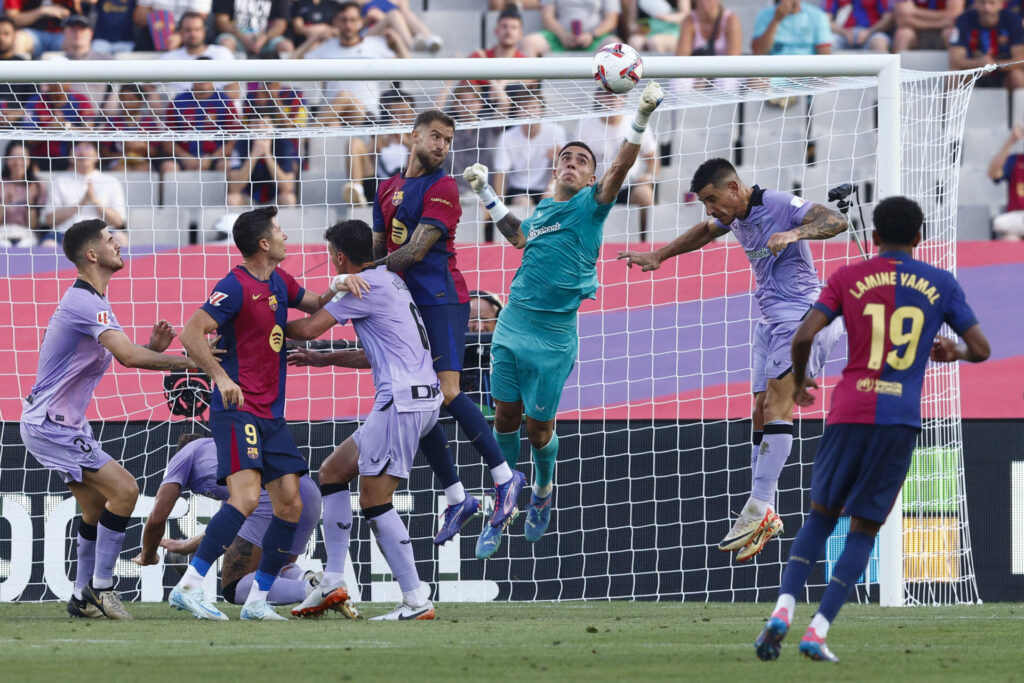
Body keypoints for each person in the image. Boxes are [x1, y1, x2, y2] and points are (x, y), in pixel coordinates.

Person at [753, 196, 989, 663]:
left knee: (820, 518)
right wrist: (953, 353)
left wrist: (798, 381)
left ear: (875, 237)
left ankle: (781, 611)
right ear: (920, 239)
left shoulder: (847, 277)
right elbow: (980, 348)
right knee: (863, 529)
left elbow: (802, 336)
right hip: (898, 420)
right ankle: (818, 630)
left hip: (849, 410)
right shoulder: (940, 284)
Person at [462, 81, 665, 556]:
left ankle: (542, 490)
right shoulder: (543, 211)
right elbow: (517, 236)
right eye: (565, 159)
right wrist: (486, 193)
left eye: (581, 161)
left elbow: (620, 167)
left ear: (592, 177)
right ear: (554, 171)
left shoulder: (589, 208)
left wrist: (640, 117)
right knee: (504, 418)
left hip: (554, 337)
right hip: (512, 325)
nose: (571, 164)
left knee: (538, 429)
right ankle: (502, 502)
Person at [617, 157, 848, 562]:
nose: (710, 209)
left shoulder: (778, 203)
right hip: (771, 318)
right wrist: (661, 256)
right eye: (704, 201)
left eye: (712, 199)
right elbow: (705, 231)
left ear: (734, 188)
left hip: (805, 315)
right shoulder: (734, 215)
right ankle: (768, 512)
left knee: (779, 405)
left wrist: (795, 233)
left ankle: (756, 508)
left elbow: (835, 220)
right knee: (760, 410)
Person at [167, 206, 359, 621]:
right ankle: (189, 585)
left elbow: (314, 305)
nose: (286, 235)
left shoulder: (279, 281)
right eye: (279, 230)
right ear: (263, 243)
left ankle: (257, 601)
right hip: (238, 409)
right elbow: (190, 332)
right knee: (247, 499)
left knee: (290, 504)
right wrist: (220, 377)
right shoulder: (233, 286)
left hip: (271, 415)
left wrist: (338, 283)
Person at [19, 218, 201, 619]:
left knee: (96, 508)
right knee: (125, 490)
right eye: (108, 239)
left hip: (57, 421)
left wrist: (152, 348)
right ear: (91, 254)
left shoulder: (95, 301)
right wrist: (195, 361)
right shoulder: (84, 301)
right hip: (51, 423)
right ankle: (103, 588)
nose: (117, 242)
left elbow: (126, 353)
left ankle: (83, 597)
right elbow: (129, 357)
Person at [376, 109, 526, 556]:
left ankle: (505, 477)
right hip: (407, 305)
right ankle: (458, 498)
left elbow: (416, 250)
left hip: (442, 299)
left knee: (445, 391)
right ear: (413, 136)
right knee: (415, 397)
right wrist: (348, 260)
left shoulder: (443, 187)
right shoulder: (386, 188)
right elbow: (379, 244)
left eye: (448, 140)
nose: (442, 146)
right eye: (436, 137)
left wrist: (360, 274)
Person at [286, 219, 443, 620]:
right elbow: (376, 352)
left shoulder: (362, 286)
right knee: (334, 471)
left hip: (402, 402)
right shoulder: (389, 279)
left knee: (375, 499)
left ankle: (415, 599)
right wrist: (323, 360)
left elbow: (305, 327)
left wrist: (254, 322)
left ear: (339, 258)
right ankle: (333, 579)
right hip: (418, 398)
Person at [131, 435, 355, 614]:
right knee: (273, 568)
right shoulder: (223, 452)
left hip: (268, 497)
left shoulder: (182, 456)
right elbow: (229, 522)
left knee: (234, 586)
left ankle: (316, 590)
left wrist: (148, 554)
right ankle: (312, 579)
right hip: (307, 492)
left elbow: (157, 517)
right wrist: (186, 546)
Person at [295, 1, 408, 126]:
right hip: (332, 117)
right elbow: (289, 65)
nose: (348, 25)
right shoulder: (326, 47)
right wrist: (314, 39)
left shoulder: (375, 45)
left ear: (360, 22)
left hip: (365, 116)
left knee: (345, 96)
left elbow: (411, 68)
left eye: (353, 20)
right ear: (335, 22)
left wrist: (398, 42)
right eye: (344, 20)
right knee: (334, 125)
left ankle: (309, 132)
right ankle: (313, 132)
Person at [573, 95, 658, 241]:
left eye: (616, 96)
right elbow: (576, 160)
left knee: (644, 194)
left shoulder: (636, 122)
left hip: (628, 187)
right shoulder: (585, 124)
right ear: (599, 98)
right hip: (597, 188)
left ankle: (645, 242)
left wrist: (648, 176)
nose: (611, 100)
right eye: (607, 96)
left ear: (623, 98)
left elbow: (653, 160)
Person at [493, 83, 566, 210]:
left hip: (546, 188)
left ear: (541, 110)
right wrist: (499, 205)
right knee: (524, 203)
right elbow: (501, 172)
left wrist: (550, 188)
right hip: (518, 189)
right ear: (517, 111)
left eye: (533, 107)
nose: (529, 112)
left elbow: (562, 165)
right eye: (523, 107)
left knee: (552, 201)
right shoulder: (507, 136)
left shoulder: (556, 132)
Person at [43, 141, 127, 246]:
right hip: (65, 233)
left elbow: (118, 221)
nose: (82, 152)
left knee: (120, 238)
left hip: (102, 234)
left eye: (88, 147)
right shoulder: (59, 181)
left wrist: (94, 200)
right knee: (48, 244)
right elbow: (50, 220)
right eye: (78, 148)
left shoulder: (111, 181)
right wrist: (81, 203)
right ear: (70, 157)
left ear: (97, 156)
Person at [948, 0, 1024, 91]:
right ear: (975, 3)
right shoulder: (963, 20)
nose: (986, 8)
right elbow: (955, 60)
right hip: (973, 72)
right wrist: (979, 64)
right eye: (982, 3)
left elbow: (1020, 60)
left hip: (1004, 72)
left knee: (1017, 76)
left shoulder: (1014, 20)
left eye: (991, 3)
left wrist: (994, 65)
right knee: (954, 76)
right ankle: (952, 105)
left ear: (1001, 4)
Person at [468, 5, 530, 115]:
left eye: (513, 27)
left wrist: (502, 83)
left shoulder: (526, 62)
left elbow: (530, 82)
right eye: (504, 26)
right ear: (496, 31)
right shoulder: (478, 57)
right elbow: (468, 95)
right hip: (480, 118)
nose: (508, 31)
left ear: (521, 34)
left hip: (515, 121)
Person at [227, 122, 299, 207]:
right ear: (249, 127)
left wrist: (267, 155)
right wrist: (254, 155)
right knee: (232, 199)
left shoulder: (283, 144)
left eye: (265, 125)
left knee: (289, 199)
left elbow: (288, 187)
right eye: (256, 125)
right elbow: (234, 188)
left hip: (274, 200)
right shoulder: (241, 143)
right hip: (248, 199)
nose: (260, 129)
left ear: (273, 126)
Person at [521, 0, 621, 56]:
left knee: (615, 46)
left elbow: (611, 20)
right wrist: (562, 34)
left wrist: (592, 35)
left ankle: (612, 90)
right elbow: (547, 16)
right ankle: (527, 87)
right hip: (559, 37)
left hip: (595, 38)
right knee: (528, 42)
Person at [1, 141, 46, 246]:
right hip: (2, 232)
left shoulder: (38, 185)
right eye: (13, 157)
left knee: (25, 245)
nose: (17, 162)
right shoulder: (1, 183)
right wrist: (5, 203)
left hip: (26, 233)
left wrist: (30, 203)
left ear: (29, 160)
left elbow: (33, 226)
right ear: (6, 160)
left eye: (22, 158)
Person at [212, 0, 294, 57]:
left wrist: (265, 37)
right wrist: (241, 36)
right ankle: (229, 82)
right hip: (236, 36)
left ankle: (285, 82)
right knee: (226, 43)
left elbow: (281, 23)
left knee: (286, 46)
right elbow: (221, 21)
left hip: (266, 39)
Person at [752, 0, 832, 56]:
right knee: (757, 79)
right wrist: (776, 20)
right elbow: (758, 52)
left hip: (807, 73)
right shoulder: (764, 15)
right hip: (774, 73)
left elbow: (824, 54)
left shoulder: (817, 16)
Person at [988, 122, 1024, 240]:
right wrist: (1011, 141)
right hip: (1018, 219)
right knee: (1009, 238)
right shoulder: (1015, 161)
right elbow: (993, 173)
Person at [4, 0, 73, 57]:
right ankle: (19, 72)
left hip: (63, 35)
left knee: (78, 40)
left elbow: (81, 15)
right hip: (32, 34)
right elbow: (12, 20)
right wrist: (42, 11)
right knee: (19, 39)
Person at [676, 0, 741, 57]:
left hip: (724, 70)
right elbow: (682, 57)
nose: (704, 2)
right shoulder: (689, 21)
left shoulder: (731, 20)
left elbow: (734, 57)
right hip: (697, 69)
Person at [892, 0, 963, 52]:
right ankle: (899, 71)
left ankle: (956, 71)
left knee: (952, 34)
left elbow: (955, 14)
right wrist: (939, 24)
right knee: (902, 35)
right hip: (917, 31)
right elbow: (902, 20)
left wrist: (915, 11)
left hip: (943, 31)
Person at [824, 0, 893, 52]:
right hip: (841, 33)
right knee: (826, 44)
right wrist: (844, 32)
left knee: (879, 43)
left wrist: (869, 32)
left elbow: (887, 19)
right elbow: (825, 19)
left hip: (872, 32)